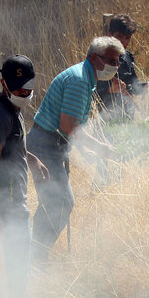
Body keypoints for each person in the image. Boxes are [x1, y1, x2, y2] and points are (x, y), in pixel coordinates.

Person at [26, 36, 122, 260]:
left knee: (53, 202)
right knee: (60, 202)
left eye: (117, 62)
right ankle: (35, 257)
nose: (114, 67)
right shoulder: (80, 80)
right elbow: (68, 125)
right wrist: (99, 146)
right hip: (45, 146)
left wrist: (83, 149)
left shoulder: (85, 76)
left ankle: (34, 255)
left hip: (50, 144)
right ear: (93, 57)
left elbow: (71, 125)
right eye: (110, 60)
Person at [0, 55, 49, 298]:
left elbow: (12, 146)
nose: (24, 94)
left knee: (17, 271)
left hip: (14, 206)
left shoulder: (12, 109)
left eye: (28, 89)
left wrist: (33, 160)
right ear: (3, 84)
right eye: (18, 89)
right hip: (4, 210)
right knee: (15, 274)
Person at [96, 14, 148, 119]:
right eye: (119, 37)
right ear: (110, 35)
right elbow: (93, 92)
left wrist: (146, 86)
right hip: (107, 119)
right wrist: (110, 88)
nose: (123, 42)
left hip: (128, 119)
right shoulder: (98, 58)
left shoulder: (127, 56)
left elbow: (134, 85)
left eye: (127, 38)